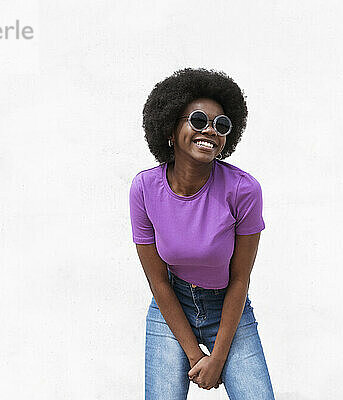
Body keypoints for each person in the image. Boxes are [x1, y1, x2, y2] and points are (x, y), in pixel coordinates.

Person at [129, 68, 275, 399]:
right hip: (171, 307)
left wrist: (218, 358)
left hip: (227, 306)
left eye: (221, 125)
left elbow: (240, 279)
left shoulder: (243, 190)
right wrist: (196, 357)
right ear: (170, 127)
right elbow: (159, 282)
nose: (210, 130)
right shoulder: (144, 188)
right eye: (197, 120)